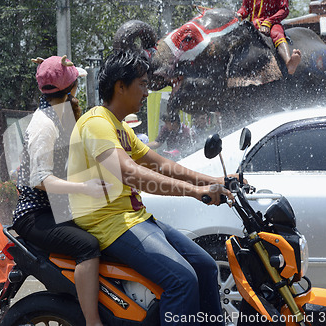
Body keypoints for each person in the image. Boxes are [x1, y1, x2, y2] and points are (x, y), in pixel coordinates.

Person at [68, 50, 235, 326]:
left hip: (133, 218)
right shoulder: (97, 123)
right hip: (108, 223)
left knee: (205, 266)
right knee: (181, 279)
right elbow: (133, 174)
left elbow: (161, 164)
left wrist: (216, 181)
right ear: (120, 86)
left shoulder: (121, 128)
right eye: (142, 84)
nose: (146, 92)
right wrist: (196, 192)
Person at [12, 55, 105, 326]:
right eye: (76, 83)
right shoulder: (44, 124)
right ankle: (92, 320)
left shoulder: (61, 113)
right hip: (35, 214)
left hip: (56, 205)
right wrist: (86, 188)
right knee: (88, 246)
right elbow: (42, 179)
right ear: (71, 89)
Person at [235, 0, 302, 74]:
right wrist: (239, 14)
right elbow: (245, 8)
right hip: (252, 25)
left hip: (272, 23)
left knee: (277, 34)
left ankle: (289, 63)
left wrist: (268, 22)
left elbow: (284, 10)